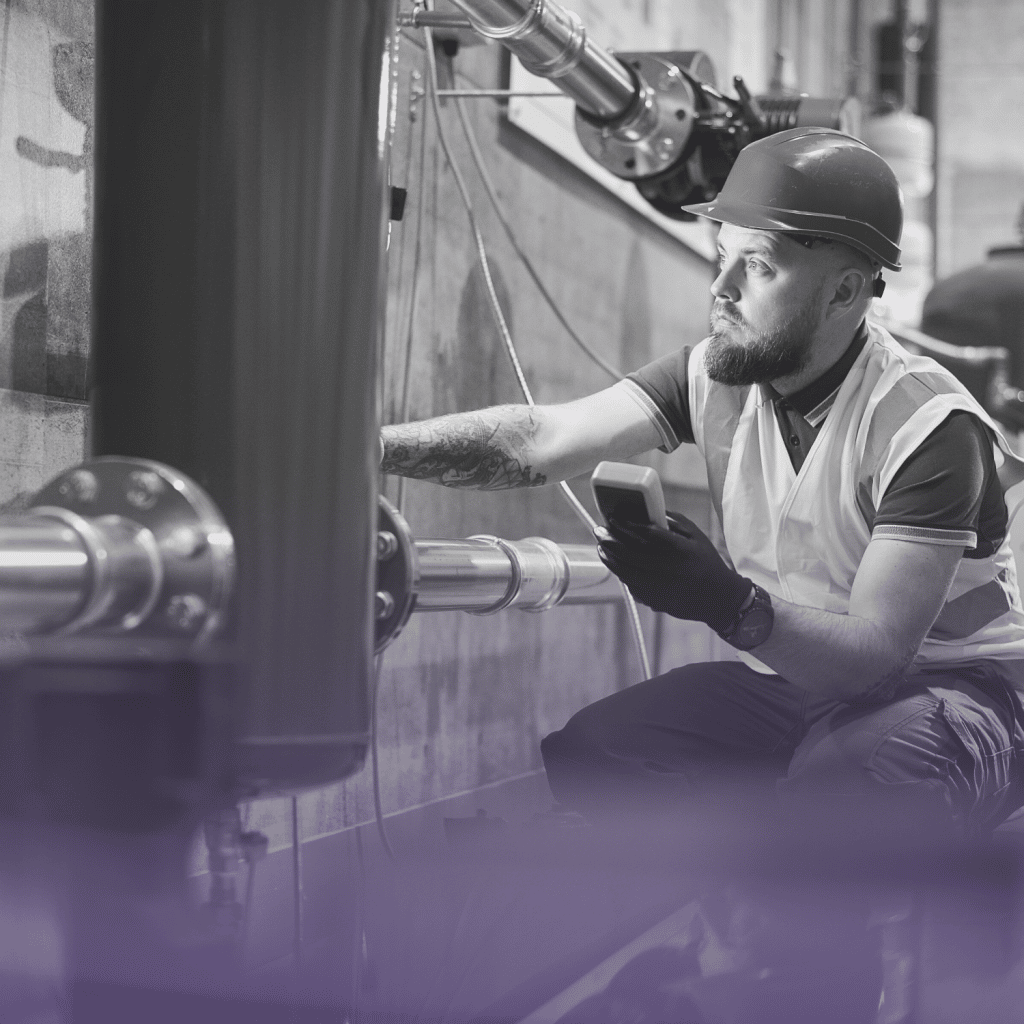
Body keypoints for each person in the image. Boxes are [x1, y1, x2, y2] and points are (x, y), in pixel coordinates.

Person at [381, 127, 1024, 840]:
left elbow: (874, 666)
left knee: (854, 780)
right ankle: (754, 904)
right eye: (723, 258)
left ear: (845, 291)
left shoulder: (927, 426)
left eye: (758, 267)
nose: (721, 289)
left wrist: (729, 602)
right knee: (602, 755)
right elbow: (548, 438)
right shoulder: (718, 375)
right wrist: (371, 450)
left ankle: (812, 931)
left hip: (958, 693)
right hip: (807, 686)